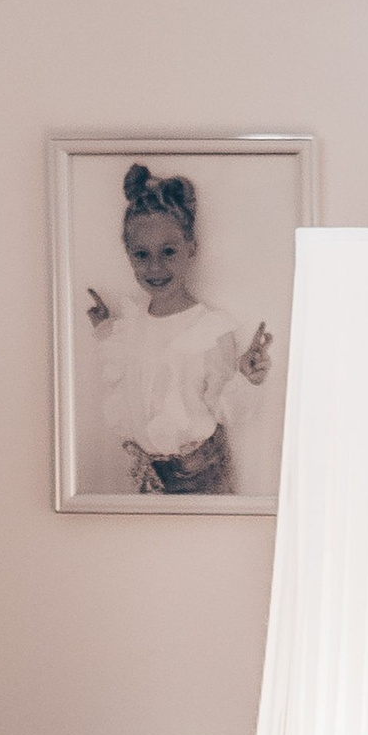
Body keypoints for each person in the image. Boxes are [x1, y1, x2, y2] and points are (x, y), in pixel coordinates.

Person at [85, 166, 272, 497]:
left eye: (168, 251)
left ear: (191, 248)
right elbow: (130, 367)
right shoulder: (131, 324)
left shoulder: (209, 330)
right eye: (142, 254)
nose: (155, 267)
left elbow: (224, 410)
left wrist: (247, 378)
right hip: (147, 473)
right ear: (128, 255)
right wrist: (104, 325)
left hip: (199, 476)